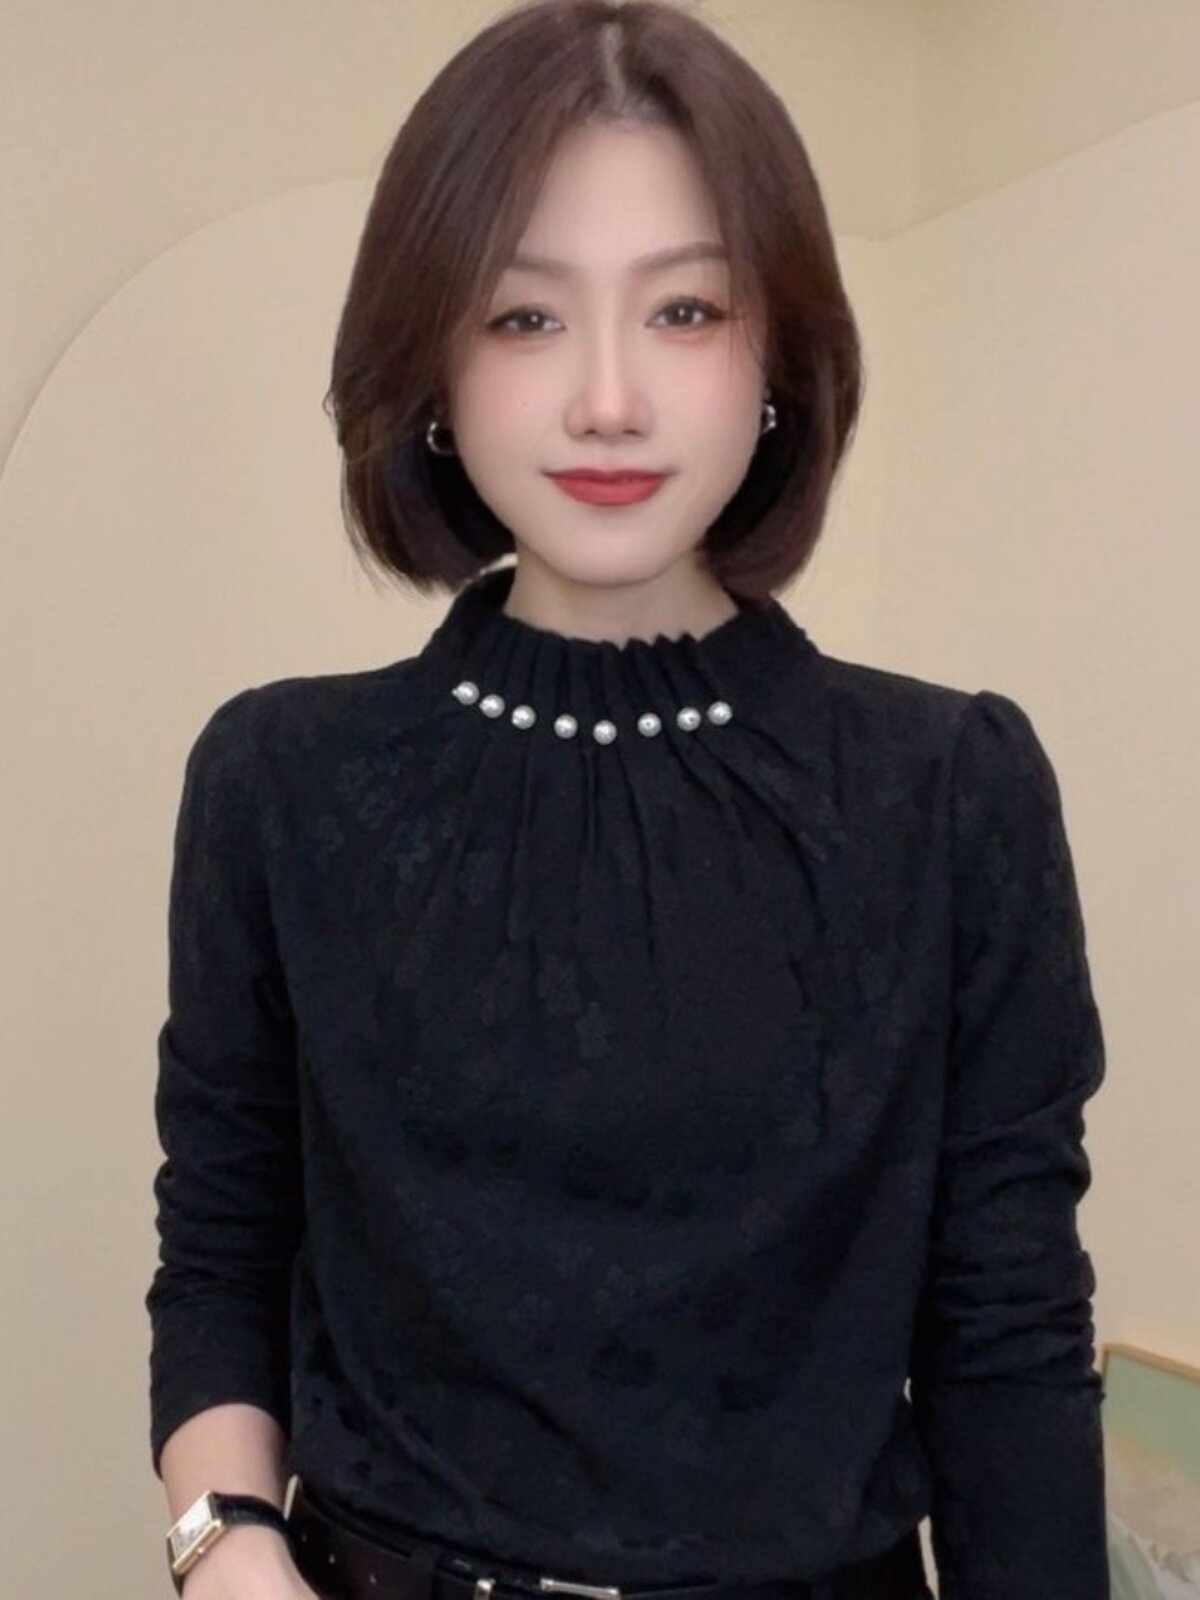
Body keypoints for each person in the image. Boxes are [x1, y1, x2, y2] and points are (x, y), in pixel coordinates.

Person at [145, 3, 1110, 1598]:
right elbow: (222, 1248)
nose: (608, 397)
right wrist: (227, 1555)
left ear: (780, 355)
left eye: (685, 310)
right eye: (526, 316)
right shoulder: (280, 782)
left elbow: (1008, 1342)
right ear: (431, 362)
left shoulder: (951, 791)